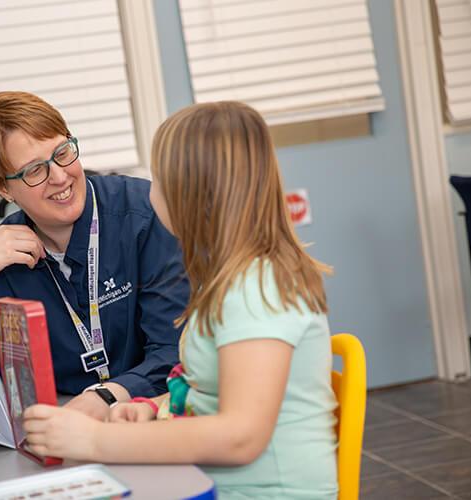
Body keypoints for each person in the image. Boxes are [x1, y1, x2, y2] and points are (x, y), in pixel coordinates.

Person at [22, 101, 339, 499]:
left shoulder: (258, 290)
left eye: (159, 178)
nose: (150, 190)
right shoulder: (231, 279)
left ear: (191, 194)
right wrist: (157, 406)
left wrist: (94, 440)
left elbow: (241, 436)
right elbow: (213, 389)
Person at [0, 91, 189, 420]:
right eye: (35, 171)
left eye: (63, 152)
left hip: (149, 408)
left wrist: (107, 396)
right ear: (2, 188)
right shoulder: (1, 259)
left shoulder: (144, 216)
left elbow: (175, 350)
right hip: (62, 422)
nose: (60, 176)